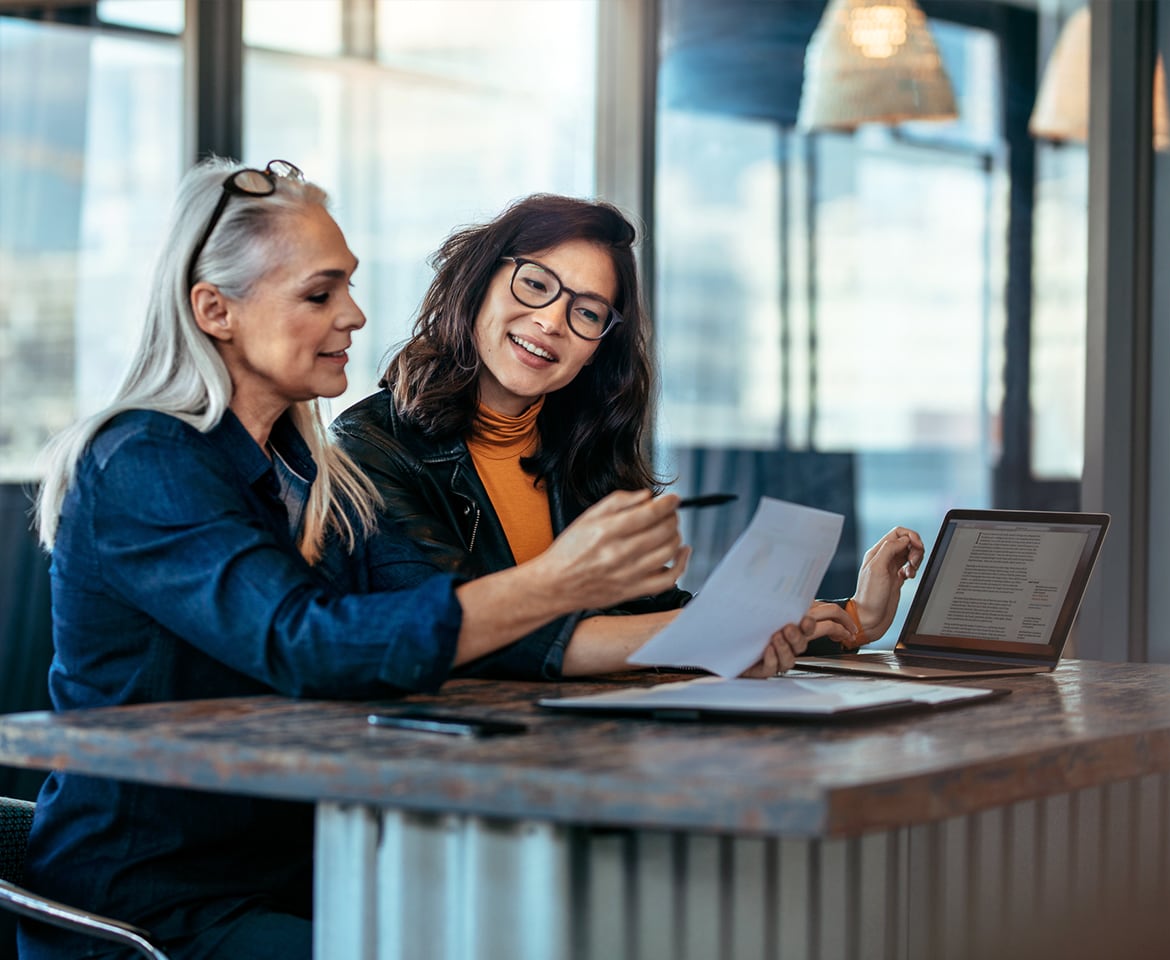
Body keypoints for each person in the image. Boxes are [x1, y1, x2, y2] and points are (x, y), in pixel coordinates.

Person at [22, 160, 813, 960]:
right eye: (320, 294)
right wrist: (559, 581)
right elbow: (309, 644)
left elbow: (450, 621)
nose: (356, 317)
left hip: (301, 869)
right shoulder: (142, 460)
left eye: (350, 288)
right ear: (215, 310)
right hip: (155, 906)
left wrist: (724, 633)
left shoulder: (310, 471)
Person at [332, 194, 925, 678]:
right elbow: (463, 633)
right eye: (535, 284)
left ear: (597, 349)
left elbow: (651, 616)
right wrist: (720, 633)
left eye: (587, 312)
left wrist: (854, 617)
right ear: (479, 282)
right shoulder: (369, 448)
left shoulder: (579, 450)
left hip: (580, 750)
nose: (551, 321)